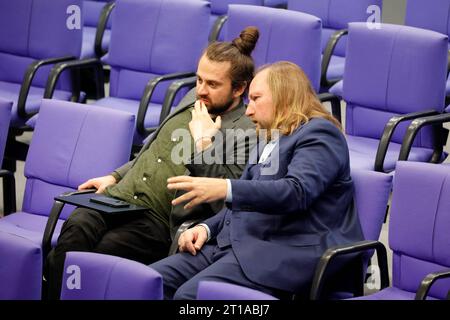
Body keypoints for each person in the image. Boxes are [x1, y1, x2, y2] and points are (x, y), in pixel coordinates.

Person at [44, 27, 260, 299]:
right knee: (74, 232)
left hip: (158, 220)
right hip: (120, 198)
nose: (201, 91)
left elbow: (226, 201)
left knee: (92, 258)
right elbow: (154, 146)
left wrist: (205, 144)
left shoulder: (247, 131)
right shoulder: (192, 98)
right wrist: (115, 176)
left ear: (239, 89)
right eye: (198, 80)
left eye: (213, 84)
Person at [148, 61, 365, 300]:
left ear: (284, 96)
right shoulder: (269, 136)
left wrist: (225, 188)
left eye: (256, 98)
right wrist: (207, 227)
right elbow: (247, 199)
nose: (248, 110)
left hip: (281, 251)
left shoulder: (320, 134)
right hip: (237, 243)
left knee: (190, 298)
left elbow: (296, 192)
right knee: (149, 283)